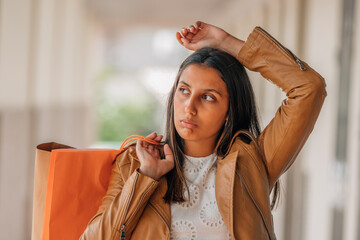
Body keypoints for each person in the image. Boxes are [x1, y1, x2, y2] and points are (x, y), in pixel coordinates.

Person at [80, 21, 326, 240]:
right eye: (184, 91)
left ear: (231, 109)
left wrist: (226, 42)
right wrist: (146, 176)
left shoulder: (252, 163)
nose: (190, 107)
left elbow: (308, 88)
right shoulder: (135, 162)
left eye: (208, 97)